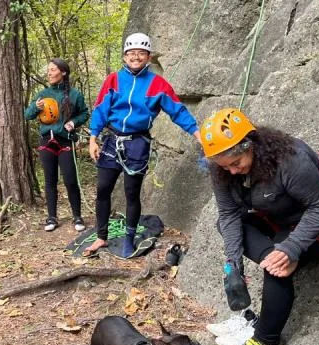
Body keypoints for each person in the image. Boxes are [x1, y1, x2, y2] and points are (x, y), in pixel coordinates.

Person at [200, 108, 319, 345]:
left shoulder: (289, 160)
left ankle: (266, 342)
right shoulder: (221, 170)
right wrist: (233, 263)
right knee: (235, 230)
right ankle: (275, 258)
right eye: (223, 166)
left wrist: (291, 248)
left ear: (249, 145)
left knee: (277, 264)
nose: (230, 171)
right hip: (285, 213)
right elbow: (229, 215)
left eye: (235, 163)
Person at [85, 33, 201, 257]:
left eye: (140, 53)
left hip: (137, 142)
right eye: (131, 53)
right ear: (125, 56)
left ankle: (129, 238)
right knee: (102, 190)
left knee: (131, 193)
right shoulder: (113, 80)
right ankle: (101, 237)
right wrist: (93, 138)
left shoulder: (157, 84)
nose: (135, 57)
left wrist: (197, 133)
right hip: (111, 140)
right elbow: (101, 108)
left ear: (148, 57)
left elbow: (177, 110)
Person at [24, 58, 89, 232]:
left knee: (70, 179)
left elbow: (84, 113)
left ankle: (77, 216)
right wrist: (35, 108)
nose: (49, 73)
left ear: (63, 72)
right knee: (49, 180)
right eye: (49, 70)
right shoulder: (43, 94)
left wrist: (73, 122)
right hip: (47, 141)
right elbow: (27, 114)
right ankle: (51, 217)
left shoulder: (75, 95)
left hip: (65, 140)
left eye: (53, 70)